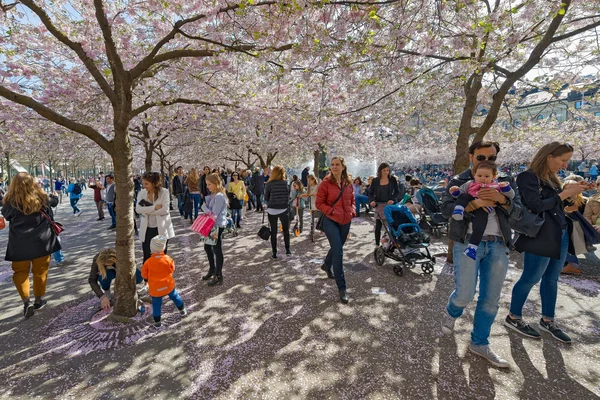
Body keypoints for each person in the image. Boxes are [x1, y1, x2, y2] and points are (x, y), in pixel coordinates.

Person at [440, 141, 522, 368]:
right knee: (465, 294)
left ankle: (480, 342)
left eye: (492, 158)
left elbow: (519, 213)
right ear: (471, 157)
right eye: (481, 157)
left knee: (490, 300)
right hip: (467, 242)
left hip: (498, 244)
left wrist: (502, 200)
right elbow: (446, 210)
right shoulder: (459, 181)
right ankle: (451, 311)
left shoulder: (505, 182)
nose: (486, 161)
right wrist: (472, 204)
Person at [505, 142, 589, 344]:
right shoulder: (527, 177)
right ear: (549, 156)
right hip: (540, 236)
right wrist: (563, 195)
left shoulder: (552, 178)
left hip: (560, 234)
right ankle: (513, 316)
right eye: (562, 160)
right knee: (531, 277)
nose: (564, 165)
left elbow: (557, 207)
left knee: (551, 279)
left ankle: (548, 320)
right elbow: (535, 206)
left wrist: (573, 194)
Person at [1, 172, 61, 318]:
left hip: (19, 243)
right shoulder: (41, 197)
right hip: (42, 241)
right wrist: (55, 198)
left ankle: (26, 301)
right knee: (40, 272)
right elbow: (53, 203)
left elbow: (7, 215)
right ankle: (39, 300)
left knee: (20, 272)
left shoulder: (9, 202)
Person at [449, 161, 515, 260]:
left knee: (480, 226)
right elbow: (460, 194)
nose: (482, 178)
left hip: (484, 210)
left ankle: (472, 247)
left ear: (494, 176)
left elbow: (511, 196)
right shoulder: (470, 184)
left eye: (486, 176)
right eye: (479, 175)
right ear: (474, 175)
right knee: (464, 196)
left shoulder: (496, 186)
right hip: (472, 203)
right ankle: (459, 210)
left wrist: (505, 188)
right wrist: (455, 191)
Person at [317, 157, 355, 304]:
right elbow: (319, 203)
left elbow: (352, 200)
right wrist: (331, 212)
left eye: (337, 164)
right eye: (332, 165)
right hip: (330, 220)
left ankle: (327, 264)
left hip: (346, 221)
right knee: (338, 251)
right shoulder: (325, 183)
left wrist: (352, 212)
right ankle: (342, 288)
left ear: (343, 167)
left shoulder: (348, 182)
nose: (334, 167)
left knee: (336, 247)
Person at [141, 235, 187, 328]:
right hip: (168, 284)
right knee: (175, 296)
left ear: (151, 248)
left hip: (155, 288)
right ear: (163, 248)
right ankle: (182, 310)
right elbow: (172, 269)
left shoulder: (148, 262)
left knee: (156, 304)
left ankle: (157, 322)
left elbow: (144, 275)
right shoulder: (167, 259)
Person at [136, 172, 175, 263]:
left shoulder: (164, 192)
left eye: (146, 183)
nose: (144, 186)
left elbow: (165, 210)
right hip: (147, 229)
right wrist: (154, 208)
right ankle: (147, 277)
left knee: (161, 255)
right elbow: (138, 209)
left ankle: (161, 276)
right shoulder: (142, 193)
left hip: (161, 228)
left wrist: (146, 210)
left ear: (154, 183)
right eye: (143, 183)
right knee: (147, 255)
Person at [201, 173, 228, 286]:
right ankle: (213, 270)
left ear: (216, 184)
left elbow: (214, 214)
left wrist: (204, 208)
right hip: (212, 225)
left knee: (216, 249)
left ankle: (218, 274)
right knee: (208, 247)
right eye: (207, 184)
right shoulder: (215, 194)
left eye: (209, 184)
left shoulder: (219, 196)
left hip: (216, 225)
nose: (207, 186)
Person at [368, 162, 402, 246]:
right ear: (380, 171)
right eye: (384, 170)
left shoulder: (392, 179)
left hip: (389, 204)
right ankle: (377, 244)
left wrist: (393, 199)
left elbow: (397, 192)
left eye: (387, 170)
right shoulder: (375, 180)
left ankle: (393, 241)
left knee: (392, 224)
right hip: (379, 204)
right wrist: (372, 201)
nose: (386, 172)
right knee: (378, 225)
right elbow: (371, 193)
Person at [264, 166, 291, 258]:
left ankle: (274, 252)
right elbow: (288, 196)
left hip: (272, 209)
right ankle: (287, 249)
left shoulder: (269, 184)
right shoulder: (285, 183)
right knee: (286, 230)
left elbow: (266, 197)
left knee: (273, 231)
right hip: (283, 208)